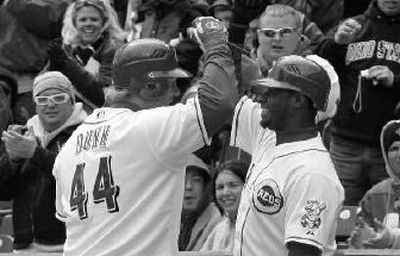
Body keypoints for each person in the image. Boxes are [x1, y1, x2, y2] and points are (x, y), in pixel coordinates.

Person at [52, 16, 236, 256]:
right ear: (149, 86)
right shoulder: (148, 127)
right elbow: (220, 103)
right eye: (170, 83)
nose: (174, 93)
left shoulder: (71, 144)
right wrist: (216, 45)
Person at [230, 55, 344, 256]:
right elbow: (228, 95)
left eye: (272, 92)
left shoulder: (312, 173)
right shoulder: (269, 139)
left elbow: (303, 252)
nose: (261, 97)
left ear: (298, 99)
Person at [317, 0, 400, 206]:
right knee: (338, 215)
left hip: (392, 149)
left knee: (389, 220)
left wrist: (395, 80)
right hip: (345, 144)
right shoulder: (353, 25)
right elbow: (319, 68)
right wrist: (337, 43)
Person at [0, 71, 87, 252]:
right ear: (35, 105)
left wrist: (35, 153)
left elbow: (81, 180)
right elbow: (4, 192)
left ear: (72, 101)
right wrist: (13, 161)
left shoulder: (85, 134)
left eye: (58, 97)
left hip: (69, 244)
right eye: (42, 99)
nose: (50, 105)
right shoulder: (23, 134)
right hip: (24, 244)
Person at [48, 0, 126, 108]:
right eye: (83, 20)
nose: (88, 24)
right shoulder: (67, 48)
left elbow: (104, 98)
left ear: (104, 22)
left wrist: (68, 65)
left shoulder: (114, 49)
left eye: (94, 20)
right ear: (74, 23)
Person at [348, 120, 400, 249]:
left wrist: (392, 239)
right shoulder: (375, 195)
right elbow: (363, 243)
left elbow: (389, 240)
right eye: (394, 149)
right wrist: (363, 241)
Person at [201, 159, 247, 252]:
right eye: (220, 187)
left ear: (248, 187)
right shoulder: (219, 229)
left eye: (233, 185)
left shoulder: (258, 228)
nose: (225, 193)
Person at [179, 154, 223, 251]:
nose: (189, 186)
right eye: (182, 179)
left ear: (205, 187)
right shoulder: (166, 219)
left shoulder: (218, 220)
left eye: (196, 180)